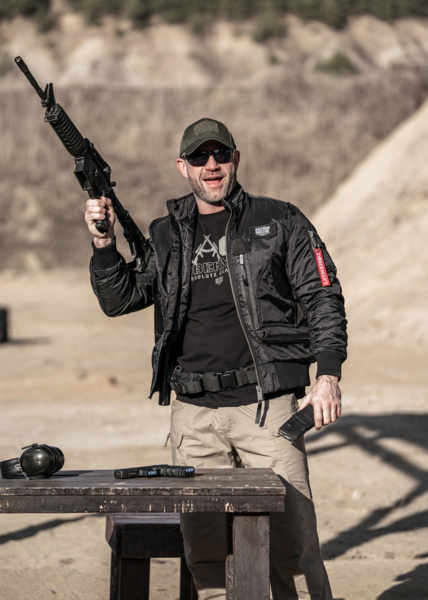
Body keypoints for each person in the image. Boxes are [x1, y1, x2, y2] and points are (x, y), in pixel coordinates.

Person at [85, 118, 347, 600]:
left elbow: (322, 296)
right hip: (194, 418)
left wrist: (327, 375)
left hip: (267, 410)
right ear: (182, 166)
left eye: (220, 155)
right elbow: (120, 299)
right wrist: (104, 244)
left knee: (292, 548)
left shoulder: (280, 220)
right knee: (206, 555)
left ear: (235, 160)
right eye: (199, 157)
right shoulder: (166, 234)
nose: (211, 165)